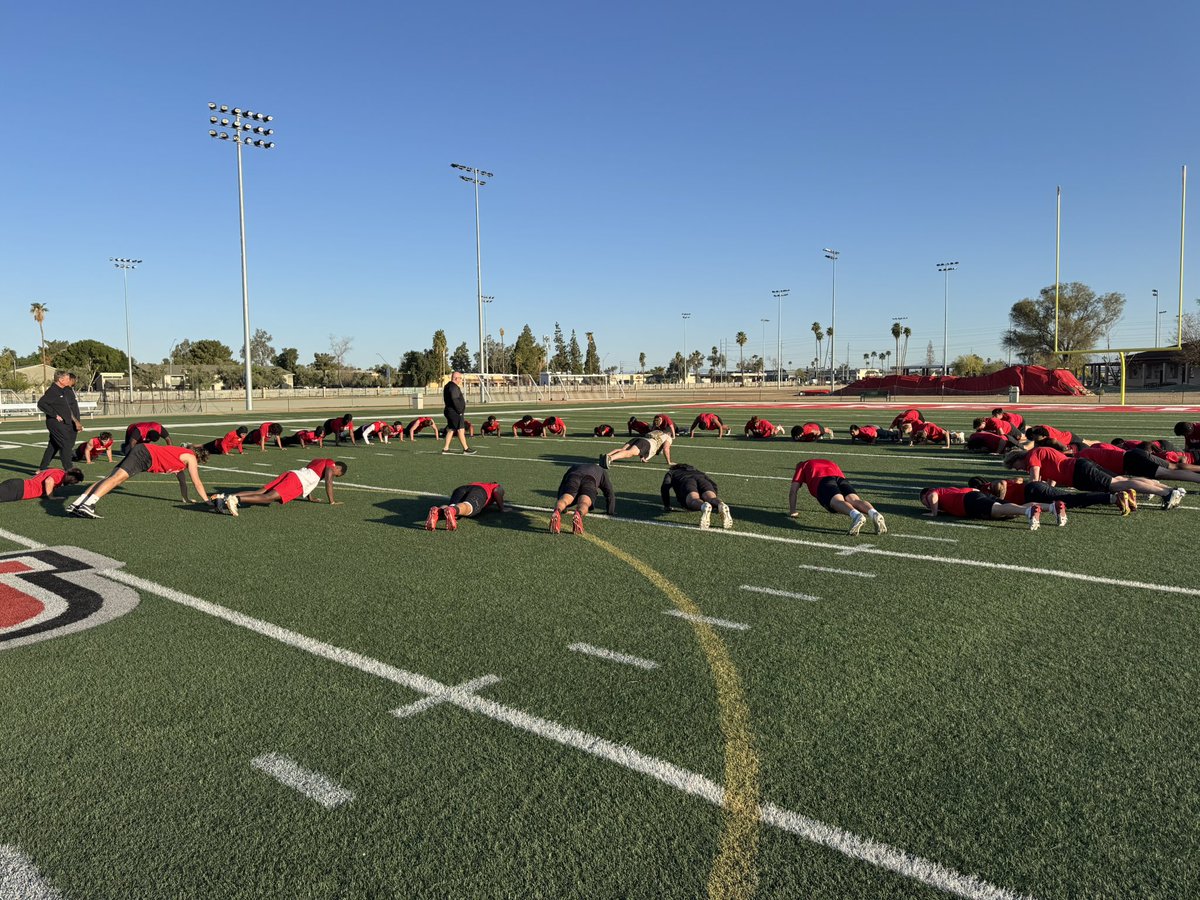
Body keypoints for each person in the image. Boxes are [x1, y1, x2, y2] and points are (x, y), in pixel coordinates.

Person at [1004, 447, 1185, 509]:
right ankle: (1167, 490)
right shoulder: (1040, 452)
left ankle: (1167, 492)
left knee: (1119, 484)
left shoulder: (1031, 457)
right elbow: (1050, 480)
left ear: (1017, 459)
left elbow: (1035, 480)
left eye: (1015, 467)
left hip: (1079, 472)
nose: (1017, 470)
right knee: (1122, 481)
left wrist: (1028, 488)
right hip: (1080, 468)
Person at [67, 444, 211, 518]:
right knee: (117, 479)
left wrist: (185, 498)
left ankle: (77, 504)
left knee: (109, 479)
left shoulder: (180, 460)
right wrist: (207, 501)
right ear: (198, 458)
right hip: (145, 455)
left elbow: (182, 481)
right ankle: (88, 504)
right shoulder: (191, 457)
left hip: (143, 453)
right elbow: (196, 481)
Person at [212, 459, 348, 516]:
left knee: (260, 491)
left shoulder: (319, 460)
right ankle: (236, 499)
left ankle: (223, 498)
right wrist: (332, 501)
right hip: (296, 481)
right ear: (338, 468)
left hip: (293, 474)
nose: (334, 475)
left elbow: (310, 474)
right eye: (338, 474)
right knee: (268, 498)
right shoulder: (330, 463)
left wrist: (310, 497)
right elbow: (328, 482)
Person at [788, 458, 887, 535]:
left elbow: (793, 491)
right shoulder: (827, 462)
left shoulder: (802, 466)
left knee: (836, 501)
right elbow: (841, 478)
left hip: (823, 481)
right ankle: (874, 513)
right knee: (854, 500)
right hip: (839, 478)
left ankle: (856, 516)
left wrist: (793, 511)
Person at [968, 476, 1130, 516]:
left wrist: (1004, 500)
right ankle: (1111, 497)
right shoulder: (987, 487)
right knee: (1071, 501)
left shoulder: (986, 487)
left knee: (1072, 499)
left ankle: (1113, 497)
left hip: (1032, 491)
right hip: (1032, 490)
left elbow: (1000, 484)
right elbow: (1017, 479)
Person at [919, 486, 1062, 530]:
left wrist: (933, 512)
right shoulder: (949, 490)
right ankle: (1052, 507)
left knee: (999, 510)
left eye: (923, 502)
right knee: (1009, 508)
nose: (925, 504)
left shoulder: (933, 493)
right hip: (975, 495)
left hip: (968, 502)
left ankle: (1028, 511)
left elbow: (933, 497)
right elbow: (974, 489)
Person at [1074, 442, 1200, 487]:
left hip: (1131, 461)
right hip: (1134, 456)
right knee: (1172, 468)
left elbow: (1102, 472)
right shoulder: (1094, 449)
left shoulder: (1082, 457)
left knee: (1167, 473)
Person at [550, 462, 615, 535]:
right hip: (589, 480)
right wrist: (610, 510)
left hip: (574, 476)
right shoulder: (601, 471)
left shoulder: (575, 466)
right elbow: (609, 492)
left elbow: (562, 485)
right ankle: (578, 514)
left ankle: (556, 512)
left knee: (565, 499)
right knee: (584, 503)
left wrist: (564, 508)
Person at [661, 463, 732, 529]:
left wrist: (666, 505)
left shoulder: (671, 472)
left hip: (686, 481)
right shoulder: (697, 471)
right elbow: (713, 484)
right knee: (711, 498)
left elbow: (665, 487)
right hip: (702, 479)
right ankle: (720, 504)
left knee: (693, 499)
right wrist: (714, 499)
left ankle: (703, 506)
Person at [37, 371, 82, 470]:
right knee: (66, 445)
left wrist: (76, 421)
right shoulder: (53, 391)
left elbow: (68, 408)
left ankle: (42, 469)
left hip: (66, 423)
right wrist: (54, 414)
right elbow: (41, 403)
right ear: (61, 380)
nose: (69, 380)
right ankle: (69, 470)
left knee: (53, 445)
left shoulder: (64, 390)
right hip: (56, 423)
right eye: (67, 379)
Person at [425, 482, 506, 530]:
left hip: (462, 488)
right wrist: (502, 508)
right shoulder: (496, 486)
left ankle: (438, 510)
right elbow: (497, 491)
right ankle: (452, 510)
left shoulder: (479, 482)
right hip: (479, 491)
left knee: (453, 506)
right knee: (468, 506)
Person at [0, 467, 84, 503]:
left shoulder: (59, 471)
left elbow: (41, 473)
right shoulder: (60, 475)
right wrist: (51, 496)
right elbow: (49, 481)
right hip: (19, 490)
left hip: (18, 485)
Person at [441, 371, 475, 454]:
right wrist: (459, 410)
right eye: (460, 378)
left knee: (451, 429)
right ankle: (466, 449)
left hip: (450, 410)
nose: (461, 380)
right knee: (460, 429)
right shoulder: (453, 387)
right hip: (454, 411)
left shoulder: (448, 386)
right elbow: (455, 399)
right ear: (456, 378)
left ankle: (445, 448)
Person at [601, 428, 674, 468]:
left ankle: (607, 455)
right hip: (646, 444)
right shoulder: (668, 437)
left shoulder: (660, 433)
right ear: (669, 433)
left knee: (623, 450)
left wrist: (643, 456)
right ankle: (610, 458)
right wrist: (669, 462)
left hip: (639, 439)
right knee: (629, 453)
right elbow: (666, 449)